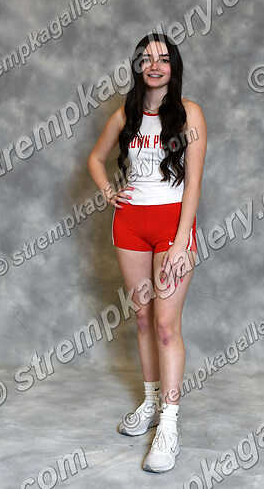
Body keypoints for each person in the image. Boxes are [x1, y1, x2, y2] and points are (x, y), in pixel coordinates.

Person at [87, 32, 207, 473]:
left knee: (165, 325)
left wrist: (181, 241)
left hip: (172, 227)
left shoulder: (190, 113)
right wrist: (108, 192)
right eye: (147, 58)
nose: (155, 65)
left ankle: (169, 425)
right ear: (138, 66)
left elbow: (193, 183)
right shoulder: (126, 114)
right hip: (130, 225)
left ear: (174, 66)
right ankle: (152, 402)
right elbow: (95, 159)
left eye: (163, 59)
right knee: (141, 317)